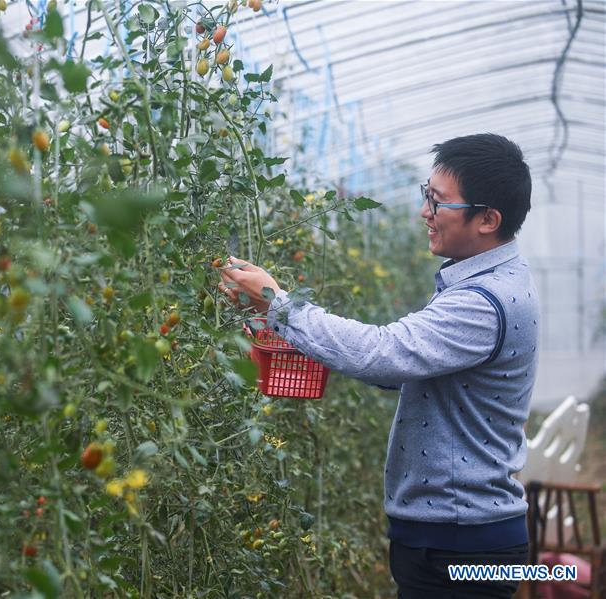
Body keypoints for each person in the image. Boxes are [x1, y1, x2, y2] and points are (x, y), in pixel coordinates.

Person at [218, 133, 538, 598]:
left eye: (438, 202)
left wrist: (279, 304)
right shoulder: (493, 279)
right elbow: (409, 365)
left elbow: (385, 355)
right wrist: (288, 324)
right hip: (459, 534)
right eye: (426, 195)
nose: (425, 212)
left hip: (460, 544)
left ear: (488, 219)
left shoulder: (482, 302)